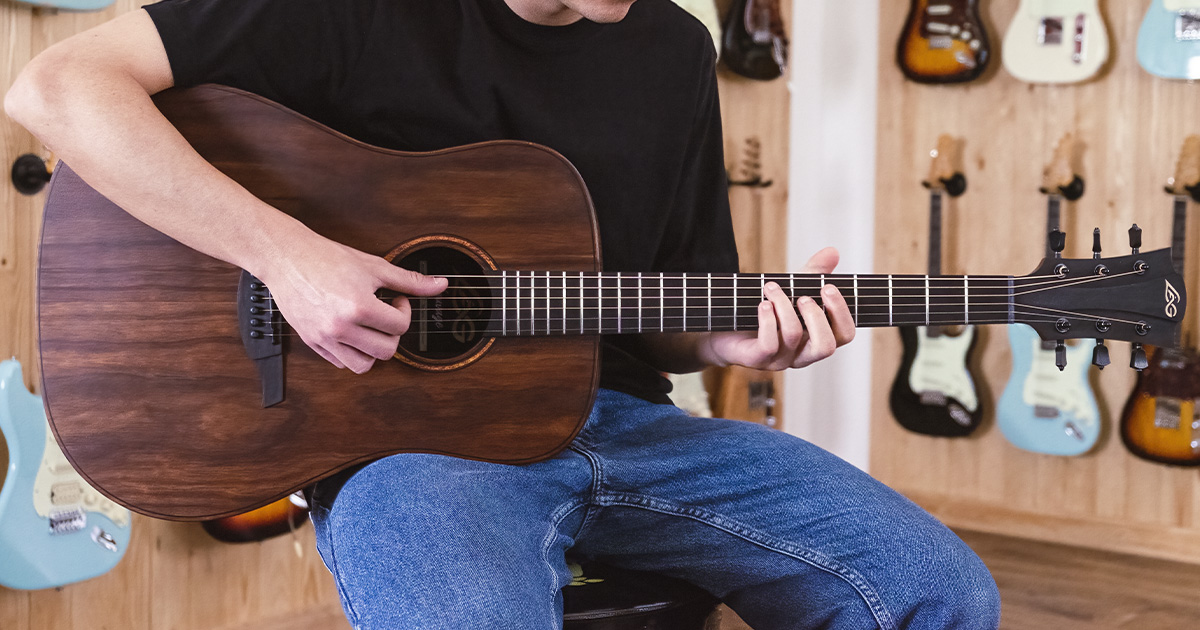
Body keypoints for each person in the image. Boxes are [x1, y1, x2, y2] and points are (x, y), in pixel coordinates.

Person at [4, 0, 1001, 628]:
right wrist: (287, 258)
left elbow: (673, 295)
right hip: (403, 449)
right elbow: (55, 86)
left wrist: (729, 341)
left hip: (624, 423)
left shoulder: (674, 50)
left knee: (937, 589)